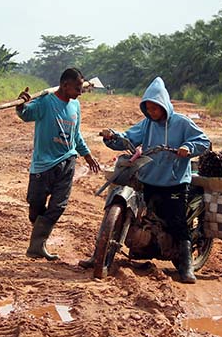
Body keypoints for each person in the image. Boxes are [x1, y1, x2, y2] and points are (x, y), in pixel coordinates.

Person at [87, 76, 210, 283]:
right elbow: (128, 137)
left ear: (164, 105)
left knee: (177, 222)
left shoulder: (181, 123)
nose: (152, 112)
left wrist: (187, 148)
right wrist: (112, 136)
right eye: (149, 109)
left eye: (155, 108)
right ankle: (99, 254)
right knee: (137, 212)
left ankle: (187, 265)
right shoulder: (146, 124)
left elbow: (202, 140)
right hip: (149, 179)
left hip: (174, 182)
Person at [17, 68, 101, 260]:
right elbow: (26, 114)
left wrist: (87, 155)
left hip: (67, 161)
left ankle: (37, 246)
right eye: (77, 88)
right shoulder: (46, 101)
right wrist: (21, 105)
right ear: (65, 85)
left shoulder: (76, 106)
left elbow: (76, 134)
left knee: (58, 205)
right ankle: (39, 237)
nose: (81, 92)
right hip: (43, 164)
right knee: (35, 206)